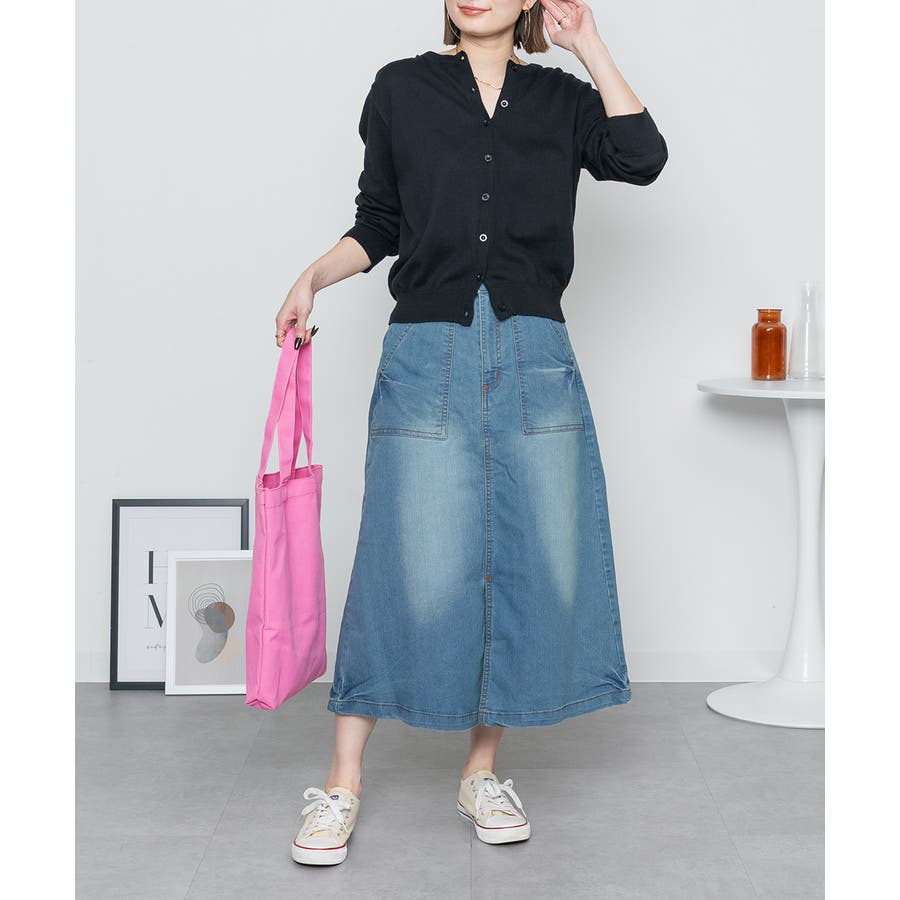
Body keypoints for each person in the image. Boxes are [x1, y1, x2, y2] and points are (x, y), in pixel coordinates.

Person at [276, 0, 668, 866]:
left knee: (519, 559)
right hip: (427, 355)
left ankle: (481, 771)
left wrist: (588, 44)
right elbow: (378, 222)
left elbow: (642, 157)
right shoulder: (402, 89)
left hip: (534, 355)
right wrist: (313, 277)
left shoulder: (564, 101)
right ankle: (341, 784)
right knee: (401, 561)